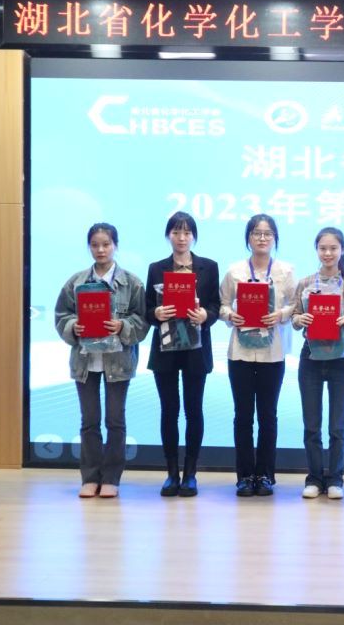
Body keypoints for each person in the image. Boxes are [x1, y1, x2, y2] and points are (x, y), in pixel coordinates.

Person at [54, 223, 147, 498]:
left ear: (115, 246)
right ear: (89, 247)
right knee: (89, 421)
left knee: (115, 421)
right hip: (85, 362)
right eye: (95, 245)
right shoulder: (76, 282)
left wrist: (122, 326)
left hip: (118, 362)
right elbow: (61, 316)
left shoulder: (131, 283)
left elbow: (142, 322)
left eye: (106, 244)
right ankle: (90, 477)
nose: (101, 250)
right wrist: (73, 327)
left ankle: (111, 478)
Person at [218, 214, 296, 497]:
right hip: (239, 353)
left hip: (272, 354)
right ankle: (244, 476)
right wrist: (230, 315)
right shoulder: (235, 271)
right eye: (256, 233)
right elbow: (221, 304)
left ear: (275, 238)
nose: (262, 238)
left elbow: (296, 305)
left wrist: (281, 314)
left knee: (268, 415)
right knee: (242, 416)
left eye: (267, 233)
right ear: (248, 238)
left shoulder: (286, 271)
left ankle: (265, 475)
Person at [144, 212, 220, 497]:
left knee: (193, 410)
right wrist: (156, 312)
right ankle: (171, 474)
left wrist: (206, 315)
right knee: (169, 410)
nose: (181, 237)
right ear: (169, 236)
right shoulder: (156, 269)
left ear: (194, 236)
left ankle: (190, 473)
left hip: (195, 350)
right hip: (165, 350)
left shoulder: (208, 267)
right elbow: (146, 309)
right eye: (176, 232)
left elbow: (216, 305)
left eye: (187, 232)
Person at [292, 227, 344, 500]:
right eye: (323, 248)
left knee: (337, 427)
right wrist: (300, 319)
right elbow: (295, 318)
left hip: (340, 360)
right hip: (310, 357)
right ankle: (314, 478)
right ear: (317, 250)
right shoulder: (306, 283)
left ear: (342, 250)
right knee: (312, 425)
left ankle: (335, 479)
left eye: (333, 248)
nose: (328, 253)